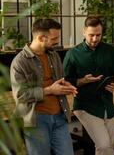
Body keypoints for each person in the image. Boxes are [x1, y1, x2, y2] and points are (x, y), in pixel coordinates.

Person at [10, 18, 77, 155]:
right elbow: (20, 95)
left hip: (60, 115)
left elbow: (59, 80)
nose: (57, 41)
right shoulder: (20, 62)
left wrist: (66, 85)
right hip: (36, 120)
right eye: (54, 38)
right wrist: (50, 90)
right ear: (41, 38)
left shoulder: (54, 55)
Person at [63, 16, 114, 155]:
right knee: (104, 145)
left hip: (107, 105)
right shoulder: (73, 54)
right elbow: (64, 81)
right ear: (84, 32)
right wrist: (82, 81)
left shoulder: (111, 51)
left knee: (107, 146)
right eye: (91, 35)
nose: (95, 39)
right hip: (85, 106)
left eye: (98, 35)